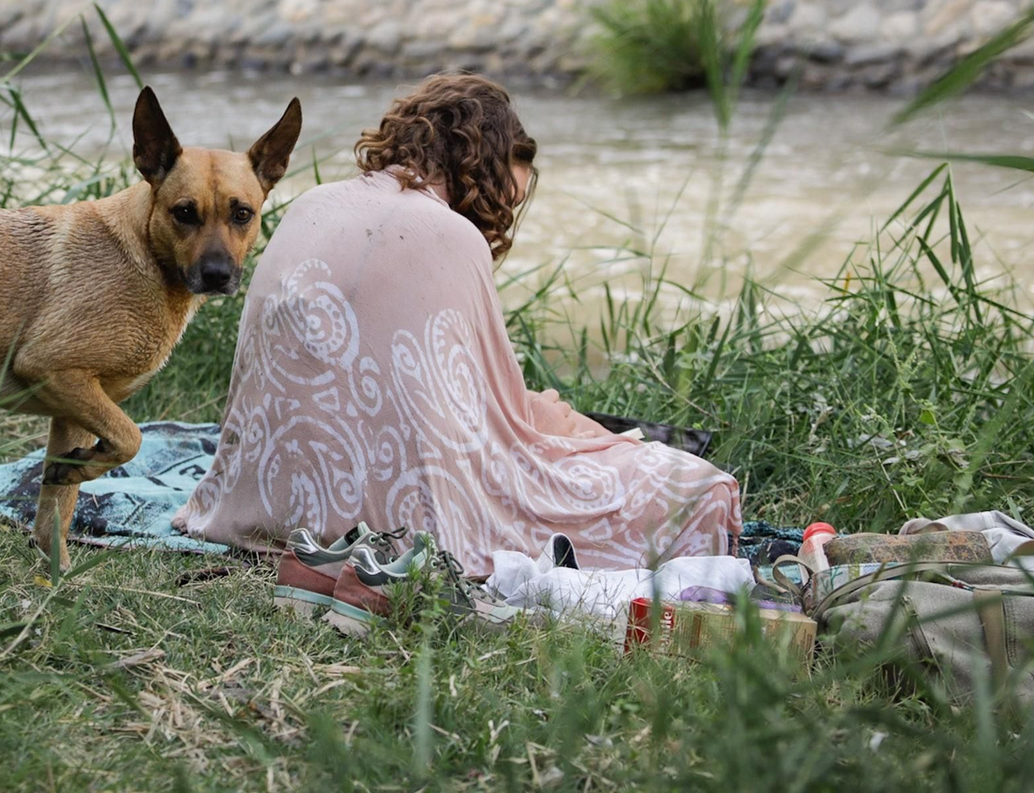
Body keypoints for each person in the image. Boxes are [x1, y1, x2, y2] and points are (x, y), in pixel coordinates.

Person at [172, 71, 742, 576]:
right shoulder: (452, 235)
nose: (503, 216)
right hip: (390, 527)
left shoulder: (310, 203)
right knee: (702, 492)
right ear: (484, 167)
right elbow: (503, 425)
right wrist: (573, 428)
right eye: (508, 197)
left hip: (252, 504)